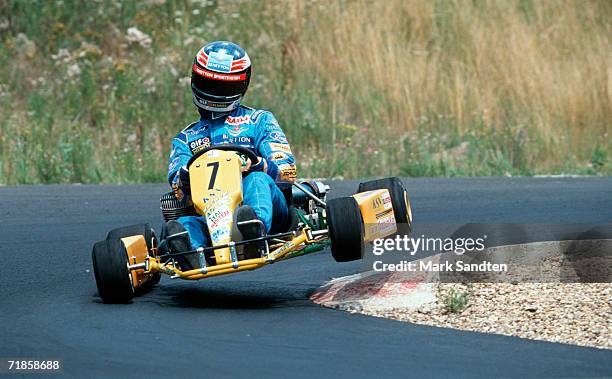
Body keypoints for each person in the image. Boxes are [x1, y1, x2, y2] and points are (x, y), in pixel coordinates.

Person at [165, 41, 296, 265]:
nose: (213, 93)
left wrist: (260, 166)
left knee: (256, 180)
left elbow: (287, 170)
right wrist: (185, 177)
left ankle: (253, 231)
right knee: (184, 224)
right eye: (208, 84)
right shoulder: (185, 138)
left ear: (241, 86)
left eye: (222, 87)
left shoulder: (259, 121)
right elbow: (177, 187)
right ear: (195, 80)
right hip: (212, 215)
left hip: (268, 209)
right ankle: (191, 251)